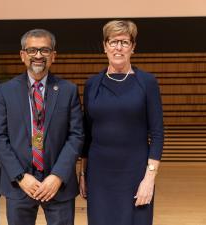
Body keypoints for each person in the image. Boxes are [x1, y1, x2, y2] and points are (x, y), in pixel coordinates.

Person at [0, 29, 84, 225]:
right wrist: (20, 176)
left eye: (44, 50)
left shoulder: (68, 90)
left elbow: (76, 136)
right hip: (20, 184)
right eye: (32, 50)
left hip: (58, 185)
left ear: (53, 56)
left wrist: (58, 176)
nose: (38, 56)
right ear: (22, 55)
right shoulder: (5, 91)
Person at [79, 20, 164, 225]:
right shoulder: (92, 84)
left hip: (135, 173)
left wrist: (149, 179)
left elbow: (158, 132)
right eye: (113, 41)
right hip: (99, 175)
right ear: (105, 46)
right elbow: (87, 134)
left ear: (133, 47)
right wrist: (83, 173)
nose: (118, 47)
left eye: (124, 42)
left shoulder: (147, 82)